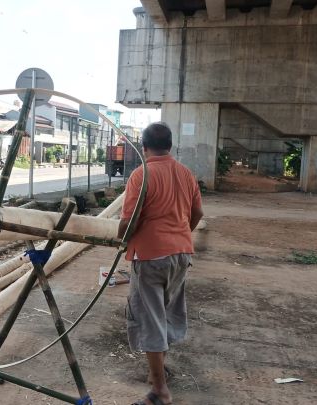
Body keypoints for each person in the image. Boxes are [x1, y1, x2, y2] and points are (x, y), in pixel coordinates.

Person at [118, 122, 204, 405]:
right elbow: (197, 212)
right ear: (170, 145)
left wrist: (122, 240)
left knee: (150, 320)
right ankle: (157, 373)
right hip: (181, 253)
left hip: (151, 256)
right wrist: (180, 236)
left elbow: (129, 220)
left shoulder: (141, 175)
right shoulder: (185, 173)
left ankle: (160, 391)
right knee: (165, 314)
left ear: (143, 148)